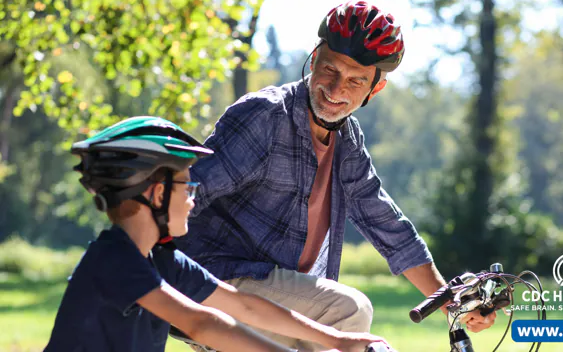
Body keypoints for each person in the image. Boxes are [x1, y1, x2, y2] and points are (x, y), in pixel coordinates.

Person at [175, 0, 496, 351]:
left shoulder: (348, 142)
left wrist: (451, 300)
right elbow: (188, 191)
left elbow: (390, 229)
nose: (336, 89)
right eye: (330, 70)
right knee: (346, 311)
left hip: (268, 298)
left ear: (375, 89)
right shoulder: (265, 116)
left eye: (356, 80)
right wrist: (139, 267)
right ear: (314, 59)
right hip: (213, 282)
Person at [44, 116, 391, 352]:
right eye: (187, 187)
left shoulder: (161, 260)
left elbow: (243, 305)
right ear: (158, 194)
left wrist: (338, 340)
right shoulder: (115, 259)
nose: (194, 199)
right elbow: (200, 323)